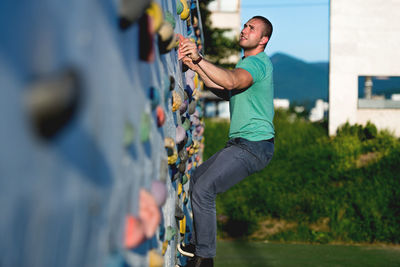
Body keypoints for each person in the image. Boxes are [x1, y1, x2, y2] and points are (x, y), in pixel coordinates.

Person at [178, 16, 275, 267]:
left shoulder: (256, 64)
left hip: (254, 146)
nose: (244, 30)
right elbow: (224, 89)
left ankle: (205, 257)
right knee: (198, 178)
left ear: (263, 40)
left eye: (252, 28)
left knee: (204, 188)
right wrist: (196, 66)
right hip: (242, 144)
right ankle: (200, 247)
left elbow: (231, 80)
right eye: (245, 26)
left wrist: (199, 58)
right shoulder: (245, 63)